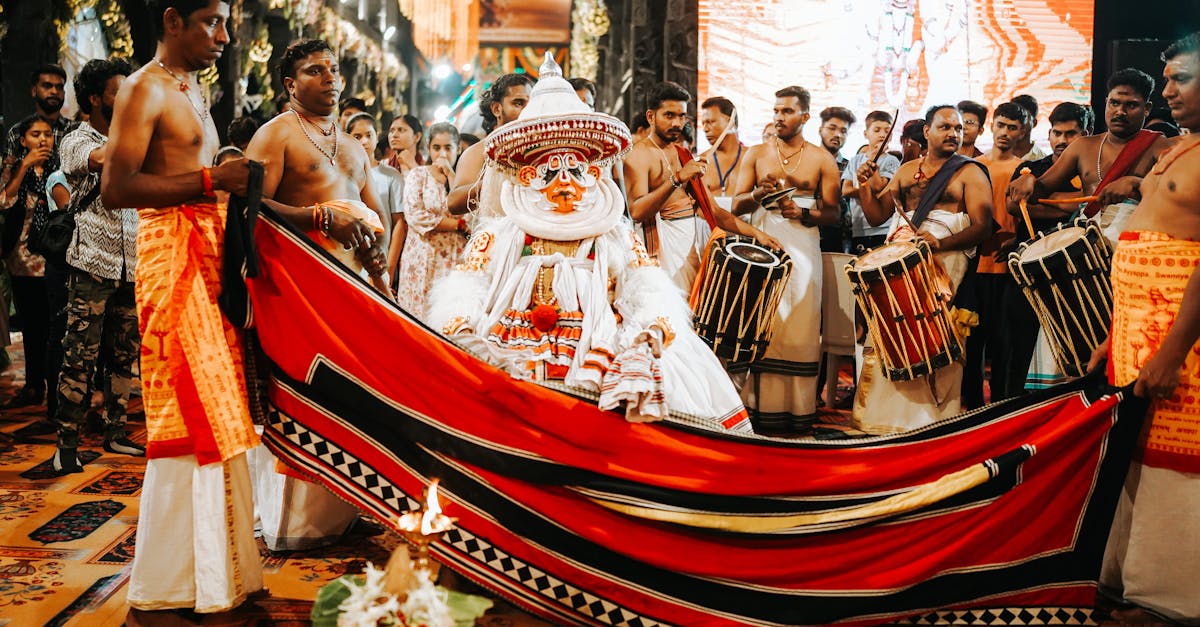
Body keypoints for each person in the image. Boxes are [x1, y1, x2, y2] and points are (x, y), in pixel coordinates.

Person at [102, 2, 380, 614]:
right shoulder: (145, 89)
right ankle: (170, 584)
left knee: (226, 413)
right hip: (172, 258)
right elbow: (116, 188)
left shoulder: (190, 89)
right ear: (173, 20)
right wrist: (210, 183)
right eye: (212, 22)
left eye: (226, 22)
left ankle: (217, 577)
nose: (226, 36)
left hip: (208, 254)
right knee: (191, 412)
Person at [429, 54, 749, 432]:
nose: (565, 182)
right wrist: (464, 329)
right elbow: (468, 285)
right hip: (509, 348)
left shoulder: (611, 232)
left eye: (576, 170)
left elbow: (646, 285)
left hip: (599, 343)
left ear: (593, 173)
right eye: (550, 170)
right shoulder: (500, 233)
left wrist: (648, 332)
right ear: (529, 175)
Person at [1090, 31, 1200, 626]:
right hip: (1139, 331)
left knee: (1177, 466)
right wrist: (1118, 330)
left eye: (1180, 78)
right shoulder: (1178, 148)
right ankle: (1126, 578)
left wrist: (1174, 351)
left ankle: (1174, 600)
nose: (1167, 90)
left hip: (1180, 344)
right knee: (1134, 453)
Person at [852, 105, 993, 433]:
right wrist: (863, 186)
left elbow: (984, 225)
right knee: (891, 330)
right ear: (926, 132)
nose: (953, 134)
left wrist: (940, 244)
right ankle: (881, 420)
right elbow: (877, 216)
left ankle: (933, 422)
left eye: (957, 129)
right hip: (900, 260)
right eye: (945, 127)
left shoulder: (970, 172)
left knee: (935, 333)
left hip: (944, 263)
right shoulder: (906, 171)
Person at [49, 57, 144, 475]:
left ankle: (117, 431)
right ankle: (65, 444)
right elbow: (93, 160)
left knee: (124, 356)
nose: (128, 99)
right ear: (95, 98)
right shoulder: (77, 137)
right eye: (119, 92)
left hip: (132, 266)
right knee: (79, 357)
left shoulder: (136, 137)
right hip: (91, 265)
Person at [729, 85, 841, 431]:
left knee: (801, 322)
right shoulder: (757, 153)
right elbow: (736, 205)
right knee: (765, 321)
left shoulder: (822, 159)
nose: (779, 117)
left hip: (804, 245)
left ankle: (797, 413)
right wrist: (758, 194)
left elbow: (835, 213)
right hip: (764, 243)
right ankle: (759, 410)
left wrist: (804, 214)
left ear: (805, 117)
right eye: (776, 111)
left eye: (787, 112)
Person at [624, 82, 781, 294]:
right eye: (669, 115)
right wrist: (677, 179)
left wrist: (758, 235)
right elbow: (637, 211)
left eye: (682, 116)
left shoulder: (682, 155)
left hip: (689, 255)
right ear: (651, 117)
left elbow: (714, 212)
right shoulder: (639, 155)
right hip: (658, 260)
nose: (677, 123)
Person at [1008, 68, 1173, 246]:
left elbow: (1180, 200)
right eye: (1114, 103)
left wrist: (1137, 183)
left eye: (1131, 105)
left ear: (1146, 109)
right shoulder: (1083, 147)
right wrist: (1029, 180)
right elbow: (1040, 190)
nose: (1120, 112)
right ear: (1106, 102)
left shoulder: (1159, 147)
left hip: (1137, 250)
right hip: (1089, 250)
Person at [1005, 103, 1092, 394]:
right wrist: (1071, 204)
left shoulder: (1093, 169)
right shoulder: (1032, 168)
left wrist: (1042, 200)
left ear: (1086, 135)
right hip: (1027, 269)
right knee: (1019, 343)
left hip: (1074, 273)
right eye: (1057, 132)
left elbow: (1094, 201)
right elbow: (1012, 206)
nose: (1062, 140)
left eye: (1071, 133)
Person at [963, 101, 1029, 406]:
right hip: (974, 265)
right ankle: (972, 409)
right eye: (1001, 125)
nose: (1005, 132)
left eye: (1012, 127)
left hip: (1006, 269)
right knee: (971, 344)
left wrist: (1015, 238)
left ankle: (1001, 408)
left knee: (1003, 344)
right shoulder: (974, 166)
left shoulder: (1024, 170)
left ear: (1022, 131)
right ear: (992, 126)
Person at [1, 118, 54, 409]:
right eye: (36, 135)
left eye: (47, 134)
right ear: (23, 140)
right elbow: (5, 201)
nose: (43, 140)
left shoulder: (59, 167)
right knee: (31, 327)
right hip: (22, 259)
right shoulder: (13, 168)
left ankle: (56, 388)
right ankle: (34, 385)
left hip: (54, 257)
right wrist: (23, 167)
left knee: (53, 326)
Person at [396, 122, 466, 319]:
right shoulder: (418, 175)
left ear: (458, 149)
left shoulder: (464, 180)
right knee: (418, 314)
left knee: (449, 316)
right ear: (428, 149)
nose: (442, 154)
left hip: (454, 258)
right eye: (436, 148)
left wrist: (452, 176)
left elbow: (472, 216)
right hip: (421, 257)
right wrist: (458, 225)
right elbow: (415, 215)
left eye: (448, 148)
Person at [447, 73, 534, 217]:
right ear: (496, 109)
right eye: (518, 103)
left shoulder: (539, 147)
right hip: (496, 235)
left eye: (530, 104)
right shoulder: (480, 151)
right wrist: (499, 178)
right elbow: (454, 203)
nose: (526, 111)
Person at [346, 112, 406, 279]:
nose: (364, 141)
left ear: (376, 136)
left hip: (380, 253)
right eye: (357, 136)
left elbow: (399, 224)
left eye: (368, 135)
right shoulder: (343, 175)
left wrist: (390, 265)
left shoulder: (391, 175)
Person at [844, 110, 900, 255]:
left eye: (887, 131)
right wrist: (868, 192)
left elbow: (878, 187)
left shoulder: (892, 161)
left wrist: (867, 189)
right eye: (876, 130)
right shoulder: (855, 160)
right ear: (865, 134)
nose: (882, 134)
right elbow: (846, 190)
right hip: (859, 229)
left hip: (884, 229)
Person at [817, 106, 855, 253]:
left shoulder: (850, 167)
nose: (837, 134)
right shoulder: (806, 161)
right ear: (820, 129)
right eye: (832, 128)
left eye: (843, 131)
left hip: (843, 240)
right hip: (808, 233)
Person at [699, 96, 746, 205]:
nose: (706, 129)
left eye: (711, 122)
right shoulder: (700, 162)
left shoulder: (752, 157)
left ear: (730, 122)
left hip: (746, 221)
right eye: (703, 124)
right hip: (710, 220)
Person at [1011, 93, 1048, 161]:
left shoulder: (1043, 160)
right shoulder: (989, 158)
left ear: (1034, 123)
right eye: (1013, 117)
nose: (1016, 123)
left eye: (1023, 118)